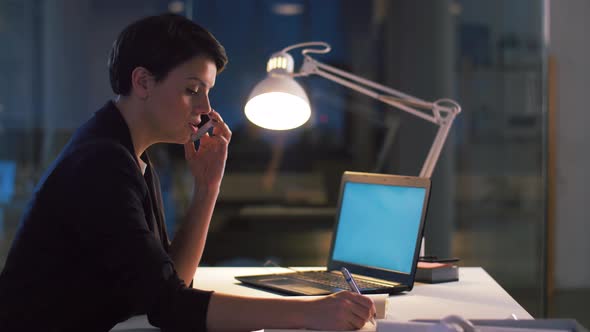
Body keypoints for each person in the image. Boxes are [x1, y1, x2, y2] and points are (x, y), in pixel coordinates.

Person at [0, 13, 375, 332]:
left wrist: (207, 187)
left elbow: (170, 282)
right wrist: (311, 313)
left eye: (207, 91)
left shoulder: (126, 151)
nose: (205, 108)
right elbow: (170, 305)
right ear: (143, 82)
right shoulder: (103, 163)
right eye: (193, 89)